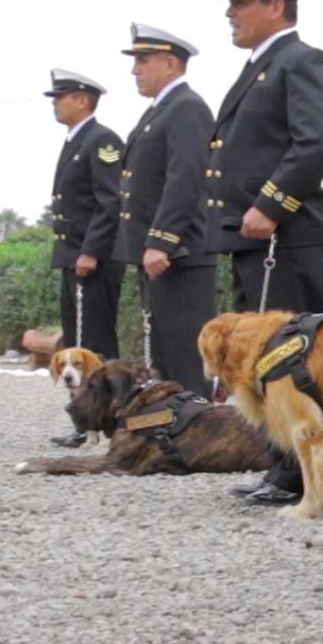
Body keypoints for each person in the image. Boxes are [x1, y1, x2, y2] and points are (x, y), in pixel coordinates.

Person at [208, 0, 323, 507]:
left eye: (241, 3)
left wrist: (271, 203)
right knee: (262, 361)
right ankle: (282, 465)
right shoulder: (258, 66)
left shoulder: (300, 60)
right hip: (251, 239)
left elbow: (314, 144)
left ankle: (300, 475)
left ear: (275, 6)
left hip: (284, 236)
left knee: (288, 362)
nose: (231, 14)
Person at [114, 24, 216, 394]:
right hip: (160, 257)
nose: (134, 70)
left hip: (180, 254)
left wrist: (162, 240)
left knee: (185, 359)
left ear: (171, 63)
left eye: (143, 60)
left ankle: (196, 442)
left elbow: (186, 177)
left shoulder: (186, 108)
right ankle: (170, 440)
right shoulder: (159, 112)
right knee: (162, 358)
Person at [44, 69, 125, 409]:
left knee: (95, 344)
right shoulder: (75, 141)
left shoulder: (102, 141)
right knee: (76, 344)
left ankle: (110, 414)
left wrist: (91, 251)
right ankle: (85, 417)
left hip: (93, 259)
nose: (55, 105)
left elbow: (110, 201)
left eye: (61, 98)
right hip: (70, 255)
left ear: (81, 100)